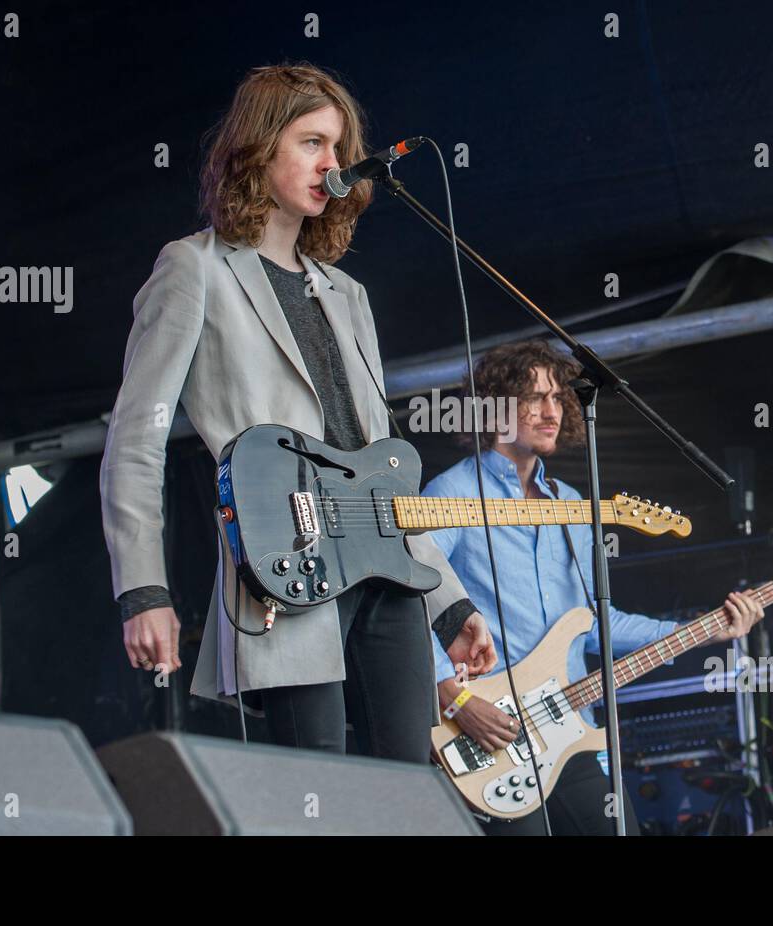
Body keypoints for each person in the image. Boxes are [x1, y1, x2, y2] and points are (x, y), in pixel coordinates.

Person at [99, 62, 497, 763]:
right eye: (312, 142)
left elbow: (386, 475)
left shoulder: (347, 295)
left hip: (387, 576)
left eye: (339, 148)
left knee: (408, 785)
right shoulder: (196, 269)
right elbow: (136, 438)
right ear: (259, 148)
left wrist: (453, 608)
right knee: (317, 789)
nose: (333, 163)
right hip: (288, 572)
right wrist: (143, 590)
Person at [423, 339, 763, 834]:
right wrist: (454, 699)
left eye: (558, 398)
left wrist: (704, 631)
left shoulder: (572, 504)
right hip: (490, 732)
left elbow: (597, 623)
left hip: (569, 727)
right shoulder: (452, 493)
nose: (551, 410)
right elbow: (408, 598)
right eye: (533, 397)